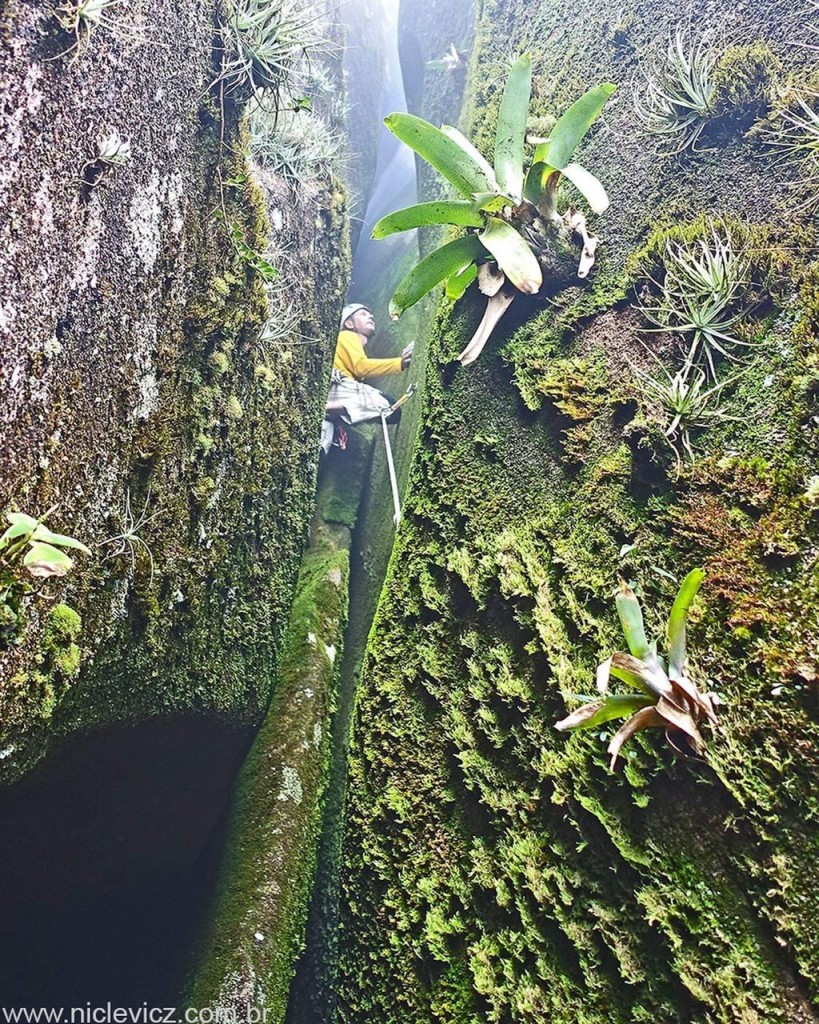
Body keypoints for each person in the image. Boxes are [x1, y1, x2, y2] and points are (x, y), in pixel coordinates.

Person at [320, 303, 414, 454]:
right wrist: (400, 363)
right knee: (388, 405)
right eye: (363, 314)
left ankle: (329, 414)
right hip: (337, 385)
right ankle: (327, 407)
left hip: (332, 389)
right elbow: (361, 367)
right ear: (349, 323)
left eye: (370, 314)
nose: (370, 316)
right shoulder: (346, 335)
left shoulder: (344, 343)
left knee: (324, 440)